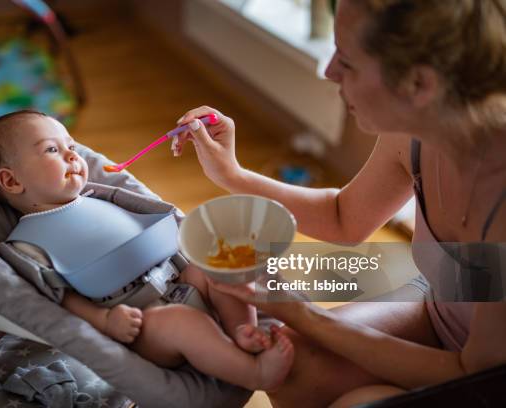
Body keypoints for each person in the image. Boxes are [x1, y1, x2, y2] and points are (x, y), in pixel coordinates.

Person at [172, 0, 506, 406]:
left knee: (360, 400)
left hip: (487, 379)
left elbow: (478, 374)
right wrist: (232, 174)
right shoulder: (418, 132)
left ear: (419, 84)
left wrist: (302, 313)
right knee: (291, 364)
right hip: (442, 308)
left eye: (347, 62)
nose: (329, 71)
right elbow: (344, 217)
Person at [0, 109, 294, 392]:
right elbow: (57, 299)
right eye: (53, 150)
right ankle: (254, 372)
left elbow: (154, 213)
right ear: (12, 181)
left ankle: (242, 332)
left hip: (177, 279)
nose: (72, 156)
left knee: (218, 267)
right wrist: (105, 319)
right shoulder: (26, 242)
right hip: (143, 321)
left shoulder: (99, 196)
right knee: (183, 323)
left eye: (72, 146)